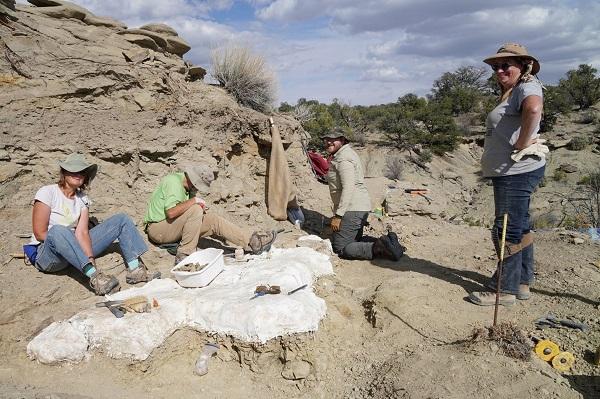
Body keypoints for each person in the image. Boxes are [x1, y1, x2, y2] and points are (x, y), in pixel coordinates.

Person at [469, 43, 546, 306]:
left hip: (515, 171)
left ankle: (506, 289)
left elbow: (533, 109)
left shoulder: (527, 85)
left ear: (523, 65)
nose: (500, 70)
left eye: (506, 65)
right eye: (496, 66)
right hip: (511, 172)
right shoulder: (513, 90)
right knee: (519, 225)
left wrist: (523, 142)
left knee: (506, 229)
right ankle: (522, 282)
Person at [31, 153, 157, 296]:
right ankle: (95, 278)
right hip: (48, 255)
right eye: (73, 170)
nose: (78, 174)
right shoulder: (47, 192)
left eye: (82, 172)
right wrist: (67, 241)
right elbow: (40, 233)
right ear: (64, 172)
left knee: (121, 220)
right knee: (58, 230)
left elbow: (82, 233)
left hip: (73, 250)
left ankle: (135, 270)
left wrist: (91, 260)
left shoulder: (82, 199)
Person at [143, 165, 277, 263]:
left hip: (172, 227)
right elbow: (171, 212)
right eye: (198, 186)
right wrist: (194, 202)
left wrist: (197, 207)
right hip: (158, 229)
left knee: (211, 219)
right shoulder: (173, 182)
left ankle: (251, 242)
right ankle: (184, 255)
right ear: (193, 180)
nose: (197, 189)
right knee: (195, 209)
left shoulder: (188, 187)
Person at [323, 129, 403, 261]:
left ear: (342, 140)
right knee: (356, 239)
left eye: (333, 139)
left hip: (352, 208)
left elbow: (349, 187)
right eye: (326, 139)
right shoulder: (345, 154)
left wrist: (339, 215)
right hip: (357, 207)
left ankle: (384, 249)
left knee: (341, 247)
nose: (328, 142)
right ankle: (390, 243)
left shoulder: (343, 159)